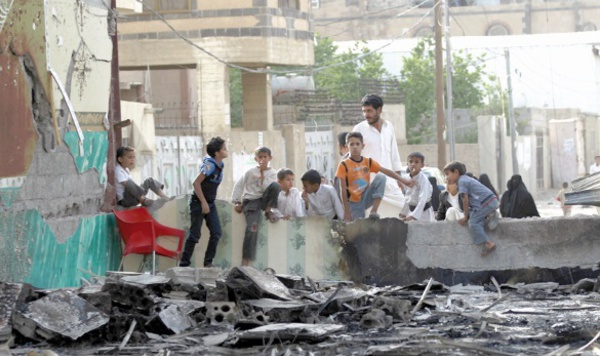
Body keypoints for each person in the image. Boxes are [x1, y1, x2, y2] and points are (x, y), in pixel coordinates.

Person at [336, 132, 414, 222]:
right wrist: (346, 210)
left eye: (357, 144)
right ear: (347, 146)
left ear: (363, 146)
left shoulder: (368, 161)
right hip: (353, 203)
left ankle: (374, 211)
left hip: (366, 196)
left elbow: (386, 171)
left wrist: (403, 180)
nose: (355, 147)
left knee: (381, 177)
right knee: (357, 227)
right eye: (351, 144)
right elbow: (343, 190)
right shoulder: (343, 165)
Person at [180, 137, 227, 268]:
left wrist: (208, 203)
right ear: (217, 153)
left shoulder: (220, 165)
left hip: (210, 202)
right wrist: (203, 203)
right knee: (195, 234)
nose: (226, 150)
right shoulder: (210, 165)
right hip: (198, 202)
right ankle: (184, 264)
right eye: (224, 149)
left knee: (216, 232)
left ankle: (208, 262)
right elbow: (196, 183)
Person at [231, 147, 281, 266]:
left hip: (263, 200)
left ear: (270, 158)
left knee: (276, 186)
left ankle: (269, 210)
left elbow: (267, 189)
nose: (262, 159)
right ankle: (246, 259)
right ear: (256, 159)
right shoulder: (250, 172)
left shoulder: (273, 173)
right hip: (252, 202)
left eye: (265, 157)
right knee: (252, 229)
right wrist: (237, 202)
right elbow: (239, 185)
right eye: (260, 157)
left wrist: (263, 175)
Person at [352, 94, 405, 205]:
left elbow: (394, 155)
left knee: (402, 212)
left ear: (379, 109)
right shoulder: (359, 129)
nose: (366, 115)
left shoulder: (388, 127)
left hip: (390, 185)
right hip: (368, 186)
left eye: (369, 111)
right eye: (364, 111)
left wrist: (399, 179)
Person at [443, 161, 499, 257]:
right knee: (474, 217)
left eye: (448, 174)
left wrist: (465, 217)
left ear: (456, 172)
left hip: (487, 203)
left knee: (472, 222)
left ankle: (488, 243)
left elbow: (465, 199)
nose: (447, 177)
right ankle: (490, 214)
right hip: (488, 202)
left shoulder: (462, 182)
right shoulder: (465, 179)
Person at [398, 153, 434, 222]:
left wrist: (413, 215)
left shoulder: (423, 179)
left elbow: (422, 199)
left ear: (422, 165)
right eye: (411, 161)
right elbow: (408, 196)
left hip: (424, 212)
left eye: (416, 162)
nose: (413, 164)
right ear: (407, 164)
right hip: (411, 211)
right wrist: (404, 212)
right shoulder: (406, 178)